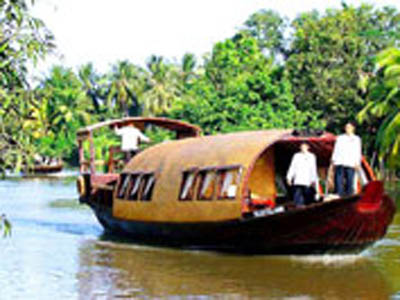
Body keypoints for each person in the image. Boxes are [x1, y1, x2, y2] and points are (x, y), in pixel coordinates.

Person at [331, 122, 362, 196]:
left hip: (351, 163)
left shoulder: (356, 139)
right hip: (340, 161)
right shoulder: (340, 138)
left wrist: (357, 163)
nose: (347, 129)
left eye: (349, 127)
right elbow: (336, 149)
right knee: (338, 181)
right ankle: (339, 195)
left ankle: (349, 196)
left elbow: (358, 151)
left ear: (353, 128)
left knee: (350, 181)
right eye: (346, 127)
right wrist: (333, 160)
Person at [286, 142, 319, 207]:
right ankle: (298, 207)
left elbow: (313, 168)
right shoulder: (296, 156)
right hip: (298, 179)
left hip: (307, 179)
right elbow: (292, 167)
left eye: (305, 146)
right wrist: (289, 177)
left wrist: (314, 179)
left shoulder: (311, 156)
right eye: (302, 146)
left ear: (308, 147)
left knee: (307, 194)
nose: (303, 148)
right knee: (298, 195)